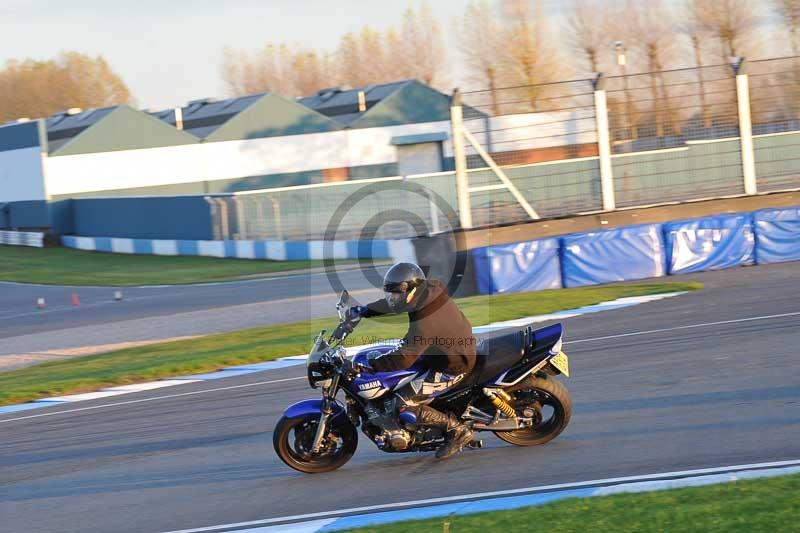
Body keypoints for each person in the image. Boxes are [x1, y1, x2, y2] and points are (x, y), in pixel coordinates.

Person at [346, 262, 477, 459]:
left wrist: (371, 366)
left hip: (453, 365)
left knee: (401, 402)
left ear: (411, 290)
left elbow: (405, 357)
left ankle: (458, 431)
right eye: (392, 293)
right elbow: (392, 305)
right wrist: (364, 311)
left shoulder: (426, 318)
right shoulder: (424, 293)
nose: (393, 298)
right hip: (440, 353)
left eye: (397, 293)